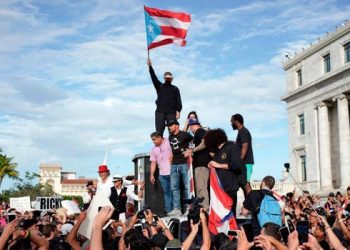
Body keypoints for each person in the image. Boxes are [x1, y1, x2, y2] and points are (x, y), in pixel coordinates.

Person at [203, 128, 244, 215]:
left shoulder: (233, 147)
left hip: (229, 189)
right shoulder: (218, 151)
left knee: (230, 216)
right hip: (218, 190)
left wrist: (218, 165)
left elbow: (237, 166)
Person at [147, 59, 182, 136]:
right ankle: (160, 147)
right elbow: (154, 78)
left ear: (172, 79)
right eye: (166, 77)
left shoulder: (175, 88)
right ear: (164, 78)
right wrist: (150, 66)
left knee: (173, 132)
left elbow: (178, 100)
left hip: (171, 112)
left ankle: (173, 147)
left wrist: (178, 110)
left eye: (169, 77)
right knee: (158, 132)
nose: (168, 78)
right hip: (160, 112)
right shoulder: (160, 86)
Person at [183, 118, 211, 210]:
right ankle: (202, 208)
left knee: (201, 188)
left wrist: (192, 151)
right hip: (201, 165)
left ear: (191, 126)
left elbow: (205, 143)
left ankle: (204, 208)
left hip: (202, 166)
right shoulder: (199, 133)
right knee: (200, 188)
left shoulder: (200, 131)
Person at [167, 120, 193, 216]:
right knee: (174, 187)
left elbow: (193, 141)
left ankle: (188, 208)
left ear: (177, 125)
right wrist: (171, 157)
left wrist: (190, 150)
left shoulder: (185, 135)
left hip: (184, 163)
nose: (169, 127)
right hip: (174, 164)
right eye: (168, 125)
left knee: (187, 186)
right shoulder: (170, 137)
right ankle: (177, 208)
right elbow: (172, 149)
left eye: (171, 125)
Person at [149, 131, 173, 214]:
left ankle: (176, 210)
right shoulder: (153, 149)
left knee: (174, 191)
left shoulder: (168, 141)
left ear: (160, 137)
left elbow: (175, 149)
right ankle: (169, 210)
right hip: (162, 174)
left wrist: (172, 156)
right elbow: (153, 162)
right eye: (152, 140)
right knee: (166, 193)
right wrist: (152, 175)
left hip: (172, 171)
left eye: (154, 139)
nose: (153, 141)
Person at [231, 113, 254, 195]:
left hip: (246, 163)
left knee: (246, 185)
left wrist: (239, 161)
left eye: (232, 122)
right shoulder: (242, 132)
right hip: (244, 163)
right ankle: (249, 204)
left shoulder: (243, 132)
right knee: (244, 184)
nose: (231, 124)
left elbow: (245, 146)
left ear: (236, 122)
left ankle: (252, 205)